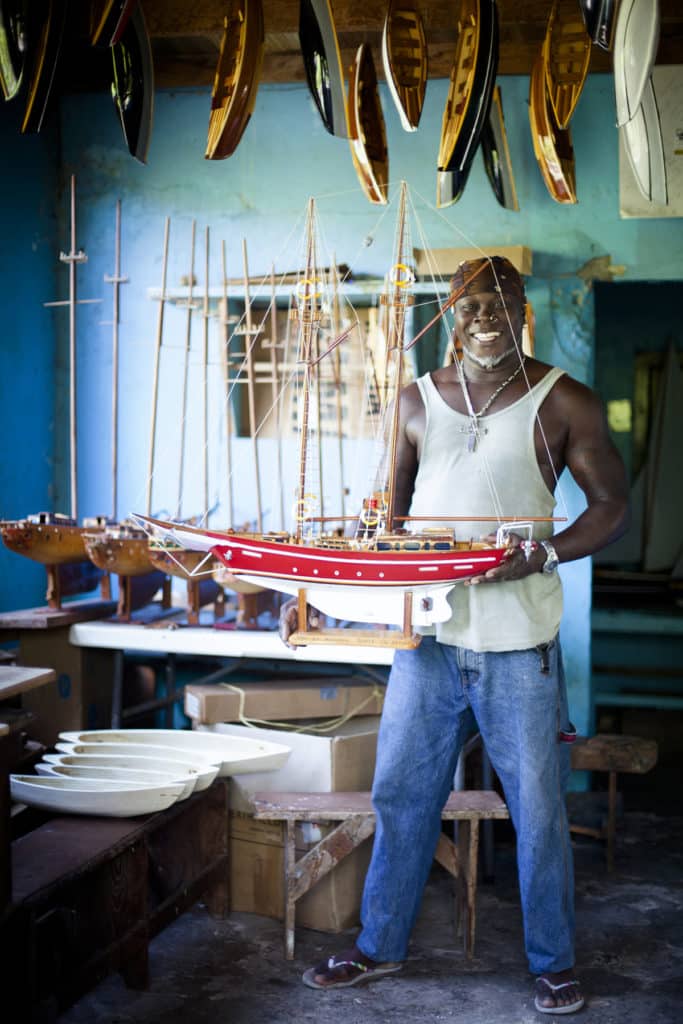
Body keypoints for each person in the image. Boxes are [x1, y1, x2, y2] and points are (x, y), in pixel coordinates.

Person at [279, 256, 629, 1015]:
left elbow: (608, 507)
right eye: (471, 305)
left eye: (501, 304)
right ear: (450, 310)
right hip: (428, 646)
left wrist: (543, 551)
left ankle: (553, 963)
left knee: (536, 809)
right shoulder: (412, 403)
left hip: (518, 646)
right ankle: (377, 948)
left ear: (522, 309)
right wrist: (316, 593)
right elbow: (386, 532)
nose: (484, 318)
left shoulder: (562, 399)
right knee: (403, 794)